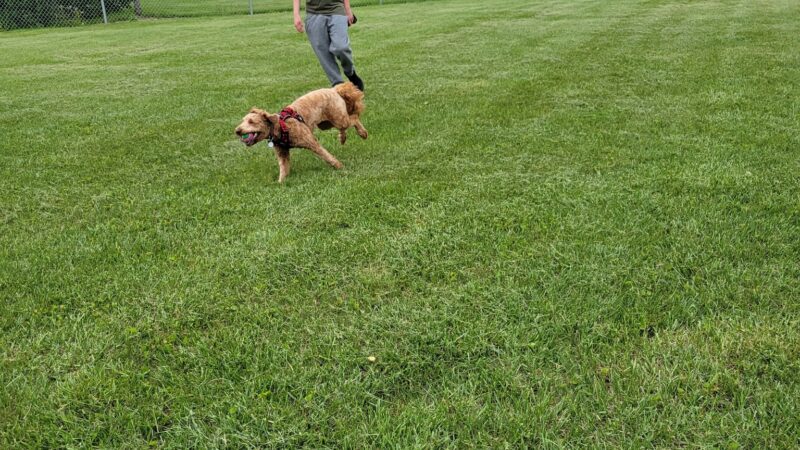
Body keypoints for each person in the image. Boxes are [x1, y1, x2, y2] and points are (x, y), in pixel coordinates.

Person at [293, 0, 364, 92]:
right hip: (314, 14)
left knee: (341, 47)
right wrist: (296, 14)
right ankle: (338, 84)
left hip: (337, 9)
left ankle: (350, 73)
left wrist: (348, 9)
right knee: (323, 53)